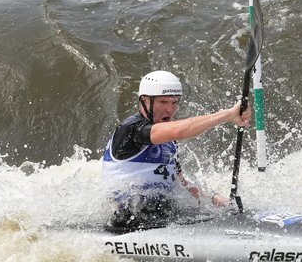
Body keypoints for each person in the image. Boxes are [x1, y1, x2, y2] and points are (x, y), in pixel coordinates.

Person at [102, 70, 251, 230]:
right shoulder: (130, 129)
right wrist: (227, 115)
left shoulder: (168, 142)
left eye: (174, 103)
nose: (170, 109)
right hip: (128, 221)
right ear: (144, 100)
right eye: (163, 102)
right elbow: (179, 130)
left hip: (164, 216)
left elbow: (183, 183)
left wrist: (215, 200)